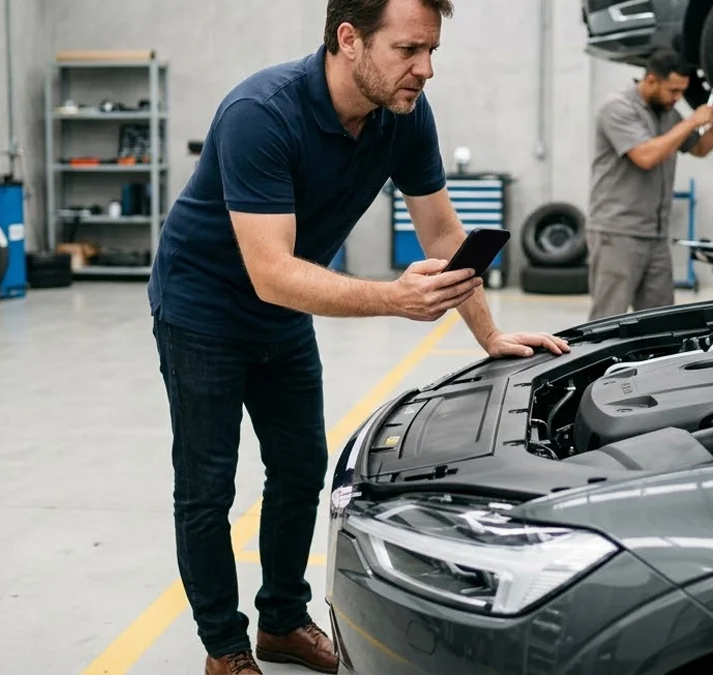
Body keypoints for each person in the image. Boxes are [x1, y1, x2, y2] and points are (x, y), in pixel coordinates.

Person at [146, 0, 572, 673]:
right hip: (204, 309)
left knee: (299, 468)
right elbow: (271, 272)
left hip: (280, 309)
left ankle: (281, 620)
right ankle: (224, 647)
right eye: (408, 49)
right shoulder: (261, 114)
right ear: (349, 39)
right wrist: (395, 299)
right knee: (206, 486)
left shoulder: (402, 116)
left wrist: (488, 336)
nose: (425, 69)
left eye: (432, 50)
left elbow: (443, 235)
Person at [585, 48, 713, 321]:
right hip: (617, 232)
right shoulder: (618, 108)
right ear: (651, 80)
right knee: (607, 319)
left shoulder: (668, 113)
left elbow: (700, 147)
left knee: (660, 320)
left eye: (682, 91)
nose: (677, 98)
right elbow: (646, 156)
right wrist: (693, 120)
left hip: (655, 234)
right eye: (673, 90)